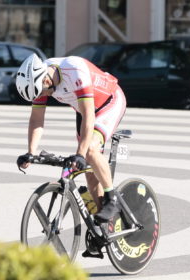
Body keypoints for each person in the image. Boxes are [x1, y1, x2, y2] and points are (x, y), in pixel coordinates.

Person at [15, 53, 127, 233]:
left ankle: (112, 198)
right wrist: (31, 152)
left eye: (42, 93)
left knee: (89, 151)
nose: (42, 97)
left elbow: (89, 115)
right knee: (90, 174)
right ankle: (103, 228)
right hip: (84, 108)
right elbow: (36, 119)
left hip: (109, 102)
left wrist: (81, 154)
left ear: (46, 81)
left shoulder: (73, 70)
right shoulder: (39, 81)